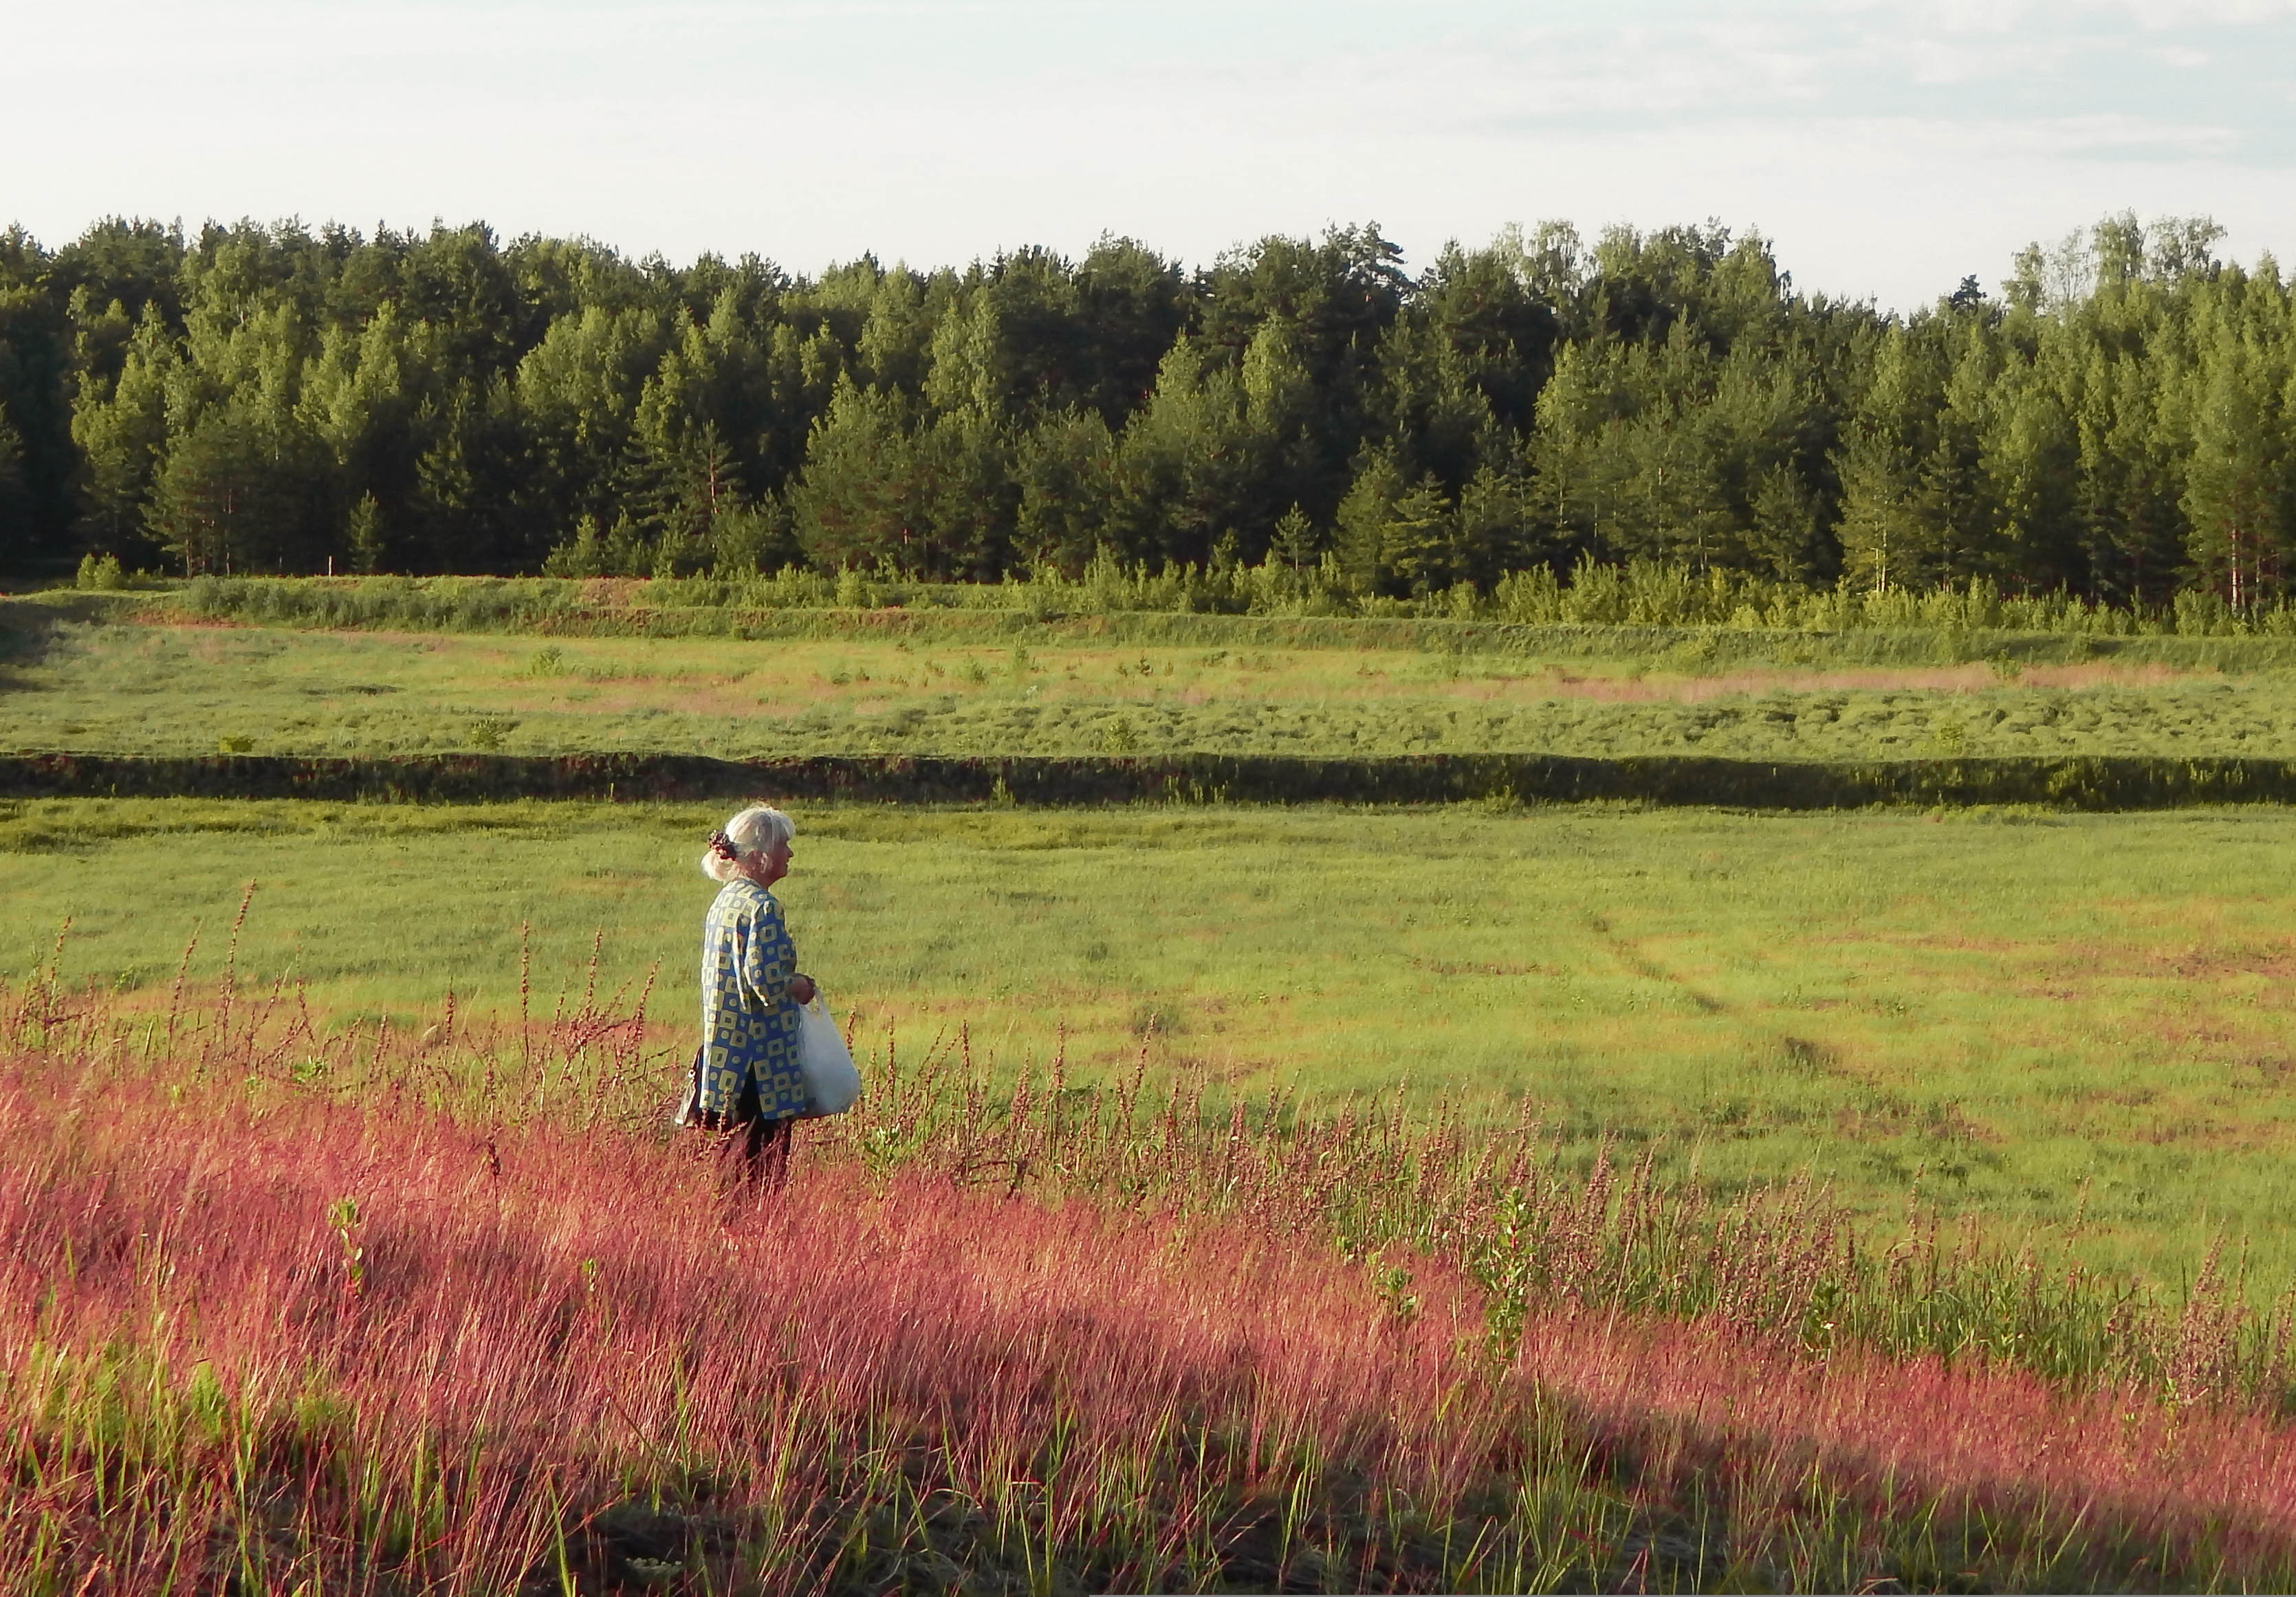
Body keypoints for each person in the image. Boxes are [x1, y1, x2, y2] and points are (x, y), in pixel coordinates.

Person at [687, 804, 816, 1198]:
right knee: (761, 1174)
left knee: (731, 1165)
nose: (790, 854)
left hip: (726, 1057)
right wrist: (799, 985)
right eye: (784, 846)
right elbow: (766, 983)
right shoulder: (763, 906)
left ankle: (727, 1248)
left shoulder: (725, 900)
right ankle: (758, 1248)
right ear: (761, 856)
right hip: (763, 1064)